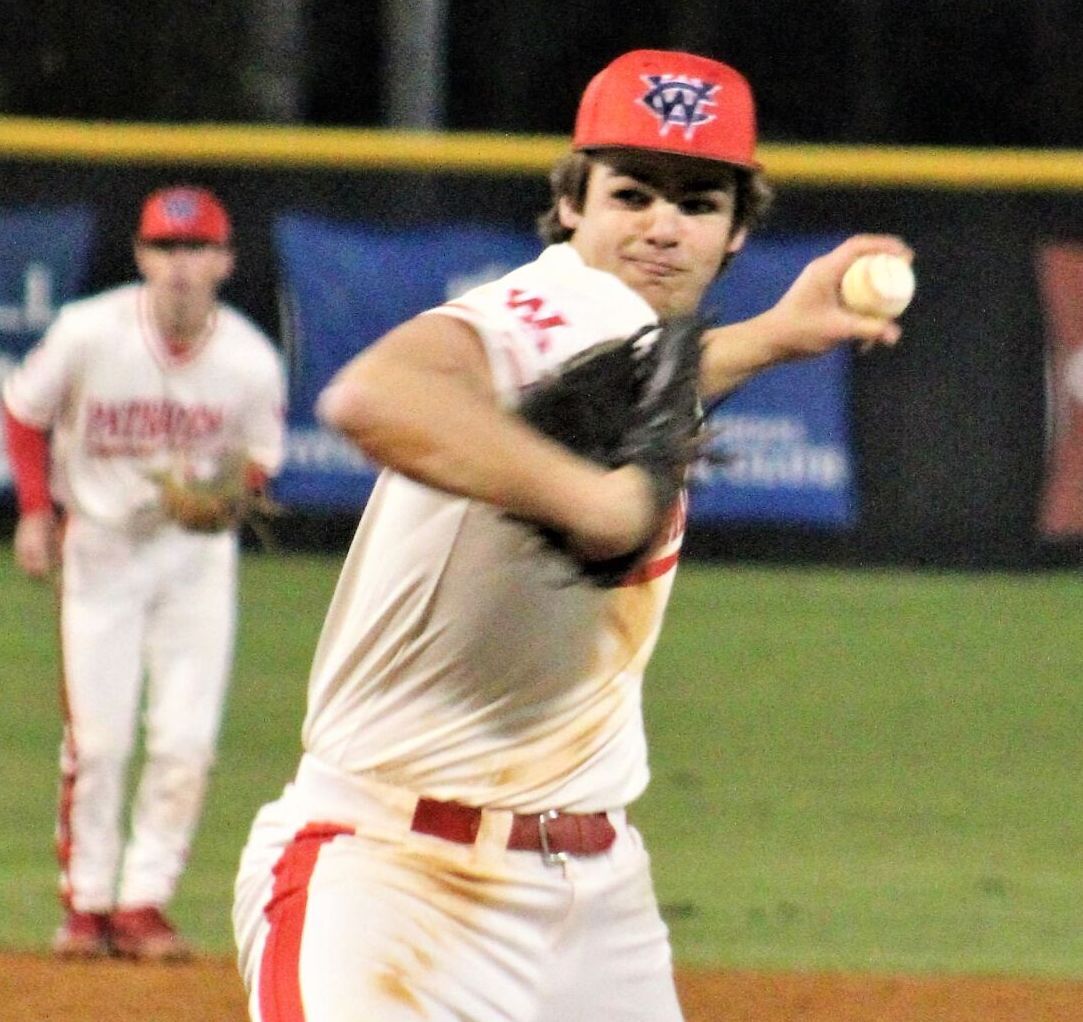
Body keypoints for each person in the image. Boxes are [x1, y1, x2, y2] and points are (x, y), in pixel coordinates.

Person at [232, 49, 911, 1021]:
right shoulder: (553, 303)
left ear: (735, 234)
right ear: (572, 205)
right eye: (631, 193)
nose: (663, 225)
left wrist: (770, 335)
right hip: (392, 883)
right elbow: (375, 391)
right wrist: (593, 505)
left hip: (596, 904)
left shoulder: (634, 344)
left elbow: (633, 382)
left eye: (699, 201)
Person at [3, 185, 287, 961]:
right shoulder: (88, 332)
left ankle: (143, 903)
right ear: (140, 256)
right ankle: (85, 905)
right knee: (97, 742)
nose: (180, 266)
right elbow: (25, 411)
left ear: (225, 261)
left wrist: (231, 496)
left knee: (185, 741)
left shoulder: (250, 359)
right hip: (100, 550)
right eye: (165, 247)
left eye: (197, 249)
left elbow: (260, 461)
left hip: (194, 562)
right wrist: (35, 511)